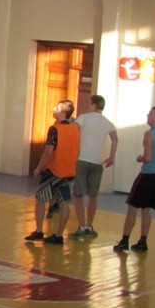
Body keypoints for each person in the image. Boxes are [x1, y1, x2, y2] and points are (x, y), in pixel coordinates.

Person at [113, 106, 155, 254]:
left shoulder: (149, 134)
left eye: (151, 114)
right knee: (146, 209)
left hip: (147, 175)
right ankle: (142, 241)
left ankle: (124, 241)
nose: (147, 115)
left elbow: (147, 157)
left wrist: (140, 158)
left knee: (132, 208)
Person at [25, 99, 80, 245]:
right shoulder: (75, 128)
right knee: (64, 202)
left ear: (62, 113)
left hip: (54, 170)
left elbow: (48, 152)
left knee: (41, 198)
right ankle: (59, 235)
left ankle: (38, 231)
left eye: (57, 108)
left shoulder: (55, 129)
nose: (53, 109)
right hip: (69, 170)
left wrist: (39, 167)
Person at [70, 95, 118, 239]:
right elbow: (115, 139)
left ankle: (81, 226)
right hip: (97, 162)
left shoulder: (83, 118)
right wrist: (111, 157)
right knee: (93, 196)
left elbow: (72, 131)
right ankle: (89, 226)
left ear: (93, 104)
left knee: (78, 195)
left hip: (82, 159)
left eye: (90, 103)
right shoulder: (107, 122)